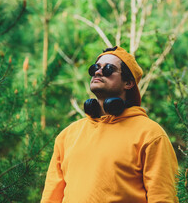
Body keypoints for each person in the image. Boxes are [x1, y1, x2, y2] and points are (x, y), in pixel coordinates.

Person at [41, 46, 178, 203]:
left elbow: (163, 197)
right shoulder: (68, 135)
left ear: (128, 83)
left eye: (108, 69)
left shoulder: (150, 134)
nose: (98, 72)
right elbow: (51, 198)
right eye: (95, 68)